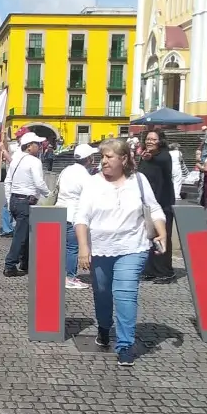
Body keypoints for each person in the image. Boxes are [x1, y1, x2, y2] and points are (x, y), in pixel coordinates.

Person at [74, 138, 167, 367]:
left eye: (109, 157)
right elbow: (81, 217)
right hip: (101, 248)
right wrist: (84, 248)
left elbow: (154, 208)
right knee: (103, 292)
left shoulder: (139, 180)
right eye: (103, 156)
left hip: (132, 247)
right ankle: (104, 328)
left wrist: (163, 233)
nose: (103, 161)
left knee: (125, 293)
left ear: (123, 159)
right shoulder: (93, 183)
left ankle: (125, 345)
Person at [3, 132, 49, 277]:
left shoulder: (16, 160)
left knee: (26, 233)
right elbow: (39, 183)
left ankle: (26, 262)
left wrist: (9, 200)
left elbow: (7, 181)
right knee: (21, 235)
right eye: (38, 144)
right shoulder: (34, 162)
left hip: (15, 200)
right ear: (29, 147)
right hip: (25, 202)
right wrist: (50, 194)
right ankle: (10, 265)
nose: (40, 147)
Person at [55, 143, 99, 289]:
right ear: (89, 159)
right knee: (72, 248)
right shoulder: (85, 176)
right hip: (73, 214)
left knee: (62, 247)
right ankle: (70, 277)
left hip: (59, 211)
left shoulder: (67, 170)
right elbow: (91, 197)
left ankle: (60, 274)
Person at [137, 129, 176, 283]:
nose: (150, 141)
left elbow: (161, 161)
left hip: (163, 203)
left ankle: (166, 272)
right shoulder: (145, 157)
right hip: (148, 204)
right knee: (149, 237)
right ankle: (150, 270)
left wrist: (150, 157)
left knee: (162, 237)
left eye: (154, 139)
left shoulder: (164, 155)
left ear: (160, 141)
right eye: (148, 139)